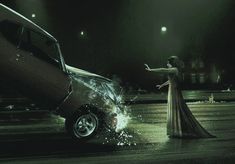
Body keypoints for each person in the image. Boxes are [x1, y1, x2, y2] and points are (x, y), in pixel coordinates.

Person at [145, 56, 214, 138]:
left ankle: (181, 129)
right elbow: (170, 80)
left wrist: (151, 70)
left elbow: (163, 70)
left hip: (175, 90)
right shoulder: (173, 70)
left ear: (171, 63)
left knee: (178, 109)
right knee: (175, 108)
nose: (167, 64)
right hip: (172, 90)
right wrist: (162, 85)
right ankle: (177, 129)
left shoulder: (174, 69)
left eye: (168, 62)